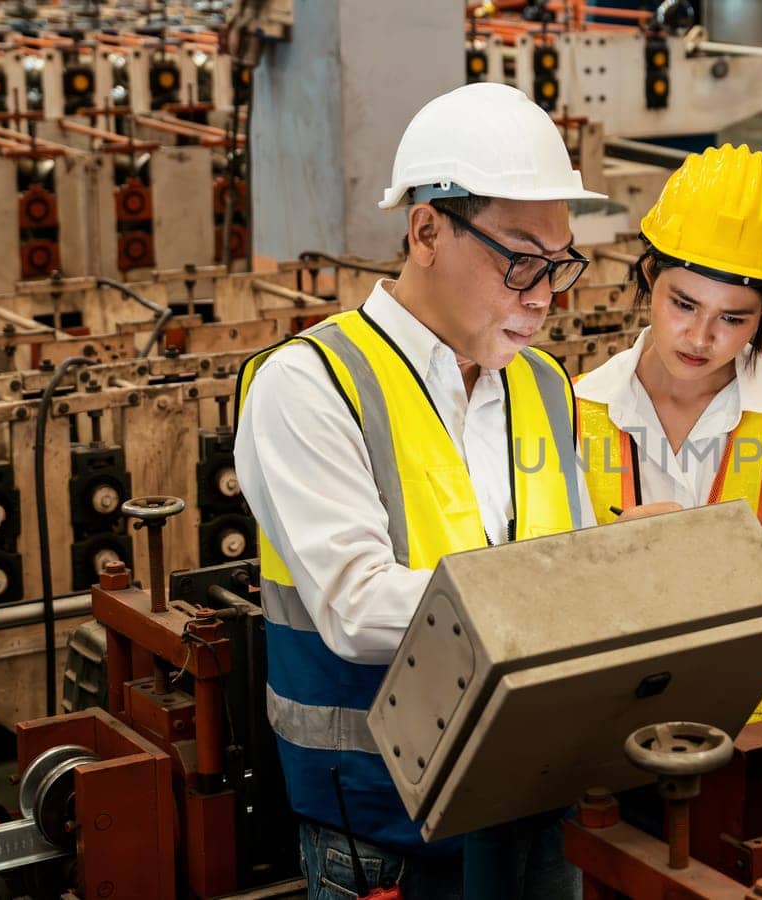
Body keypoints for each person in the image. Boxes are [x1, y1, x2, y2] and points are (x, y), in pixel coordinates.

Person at [235, 82, 609, 899]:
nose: (545, 295)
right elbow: (358, 608)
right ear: (427, 228)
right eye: (520, 259)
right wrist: (568, 590)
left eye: (562, 263)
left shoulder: (543, 385)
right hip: (383, 838)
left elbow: (578, 563)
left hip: (539, 808)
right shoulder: (311, 386)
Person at [574, 144, 762, 721]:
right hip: (606, 715)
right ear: (650, 273)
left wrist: (642, 557)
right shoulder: (573, 408)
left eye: (733, 318)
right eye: (683, 303)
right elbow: (558, 592)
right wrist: (739, 557)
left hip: (756, 712)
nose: (700, 337)